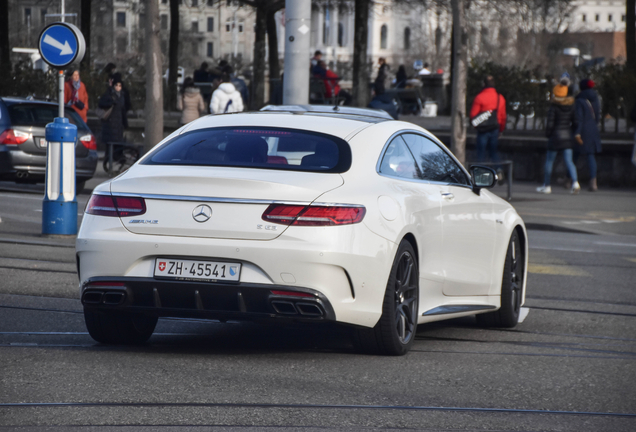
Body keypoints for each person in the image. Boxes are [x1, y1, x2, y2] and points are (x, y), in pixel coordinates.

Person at [536, 79, 580, 194]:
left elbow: (550, 124)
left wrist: (548, 134)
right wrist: (572, 132)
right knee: (569, 161)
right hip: (567, 136)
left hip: (555, 137)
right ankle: (575, 183)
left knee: (549, 161)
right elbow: (576, 122)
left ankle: (547, 185)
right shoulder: (571, 106)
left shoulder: (553, 107)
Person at [469, 75, 507, 178]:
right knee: (493, 151)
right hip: (495, 128)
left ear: (484, 84)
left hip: (483, 129)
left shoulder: (479, 97)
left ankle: (480, 174)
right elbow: (503, 116)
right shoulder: (500, 98)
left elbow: (473, 115)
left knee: (481, 152)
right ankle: (499, 170)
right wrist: (501, 129)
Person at [574, 78, 602, 191]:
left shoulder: (580, 100)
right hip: (593, 129)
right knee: (590, 155)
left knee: (574, 154)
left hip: (583, 130)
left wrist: (577, 132)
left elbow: (579, 118)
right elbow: (598, 116)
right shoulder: (596, 98)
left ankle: (569, 178)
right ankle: (593, 182)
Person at [98, 77, 127, 145]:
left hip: (118, 123)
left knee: (118, 142)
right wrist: (111, 103)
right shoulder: (109, 94)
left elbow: (123, 110)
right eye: (116, 85)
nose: (118, 87)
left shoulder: (122, 96)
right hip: (110, 123)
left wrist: (125, 123)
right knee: (110, 143)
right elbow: (101, 104)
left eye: (119, 85)